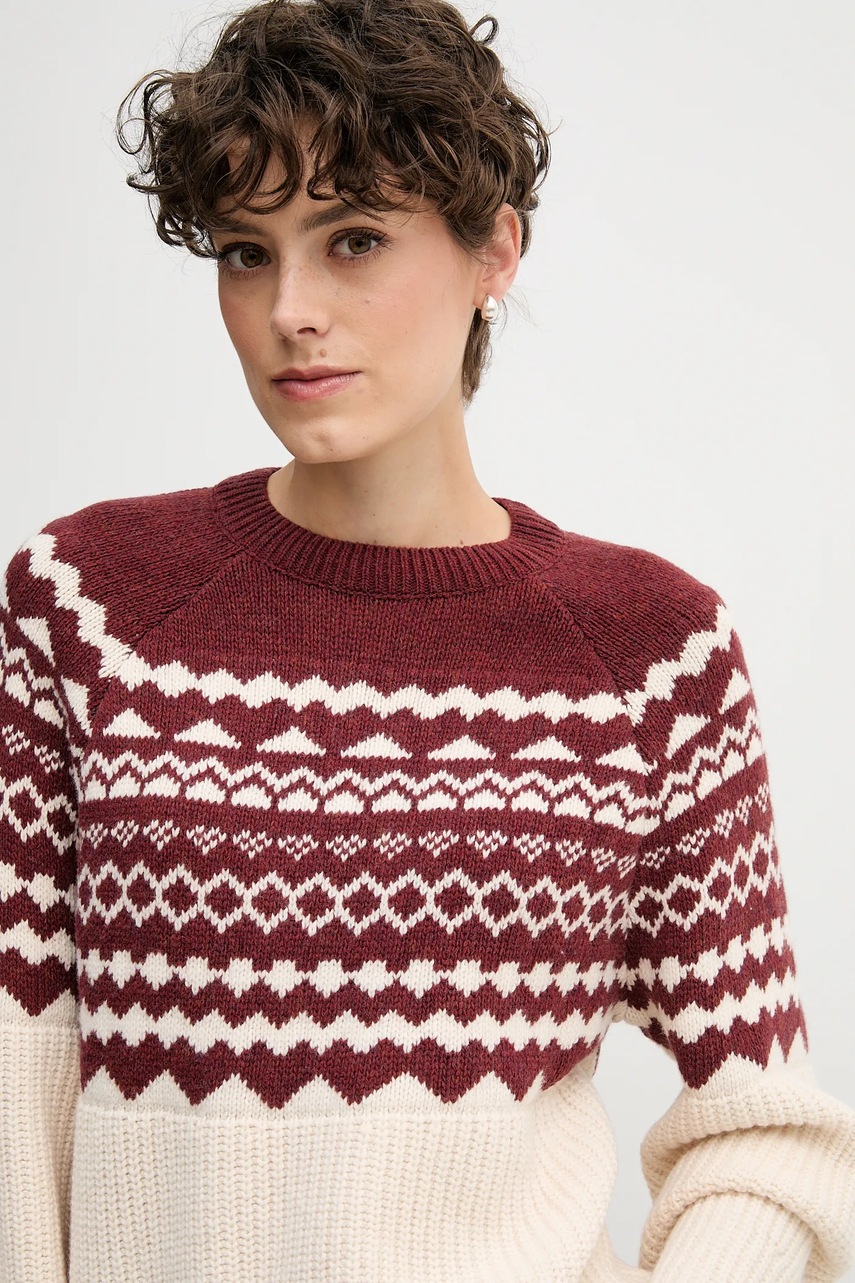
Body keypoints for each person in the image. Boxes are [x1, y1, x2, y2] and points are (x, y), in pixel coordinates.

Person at [1, 0, 853, 1279]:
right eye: (246, 252)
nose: (291, 309)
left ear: (493, 250)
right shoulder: (90, 607)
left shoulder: (652, 658)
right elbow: (14, 1076)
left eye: (352, 239)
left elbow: (765, 1126)